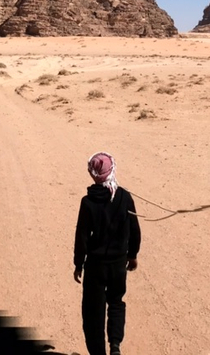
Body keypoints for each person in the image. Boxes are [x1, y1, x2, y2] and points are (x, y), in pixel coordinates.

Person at [74, 152, 142, 355]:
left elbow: (82, 236)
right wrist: (132, 254)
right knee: (116, 302)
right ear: (112, 170)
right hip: (118, 263)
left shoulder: (88, 202)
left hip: (95, 265)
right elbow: (135, 228)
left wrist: (79, 263)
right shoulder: (124, 196)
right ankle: (115, 345)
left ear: (92, 174)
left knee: (93, 311)